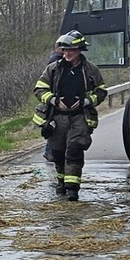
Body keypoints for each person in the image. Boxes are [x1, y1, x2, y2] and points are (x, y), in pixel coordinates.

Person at [33, 30, 107, 200]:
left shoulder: (90, 70)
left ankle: (73, 189)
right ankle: (61, 183)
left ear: (79, 50)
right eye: (64, 50)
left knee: (74, 150)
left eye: (70, 50)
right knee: (58, 152)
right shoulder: (53, 69)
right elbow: (39, 88)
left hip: (79, 116)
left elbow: (101, 91)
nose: (67, 53)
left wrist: (86, 101)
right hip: (57, 117)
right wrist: (52, 99)